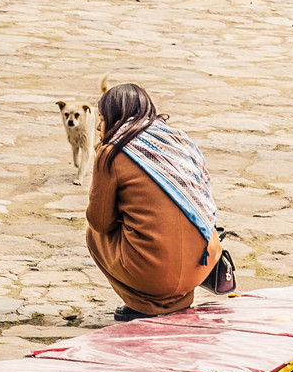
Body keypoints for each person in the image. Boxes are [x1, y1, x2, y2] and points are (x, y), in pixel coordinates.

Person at [86, 83, 229, 320]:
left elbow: (100, 222)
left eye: (102, 119)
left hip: (153, 273)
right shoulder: (177, 139)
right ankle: (180, 300)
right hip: (204, 262)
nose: (99, 126)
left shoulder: (112, 150)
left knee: (94, 233)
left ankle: (143, 305)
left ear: (114, 118)